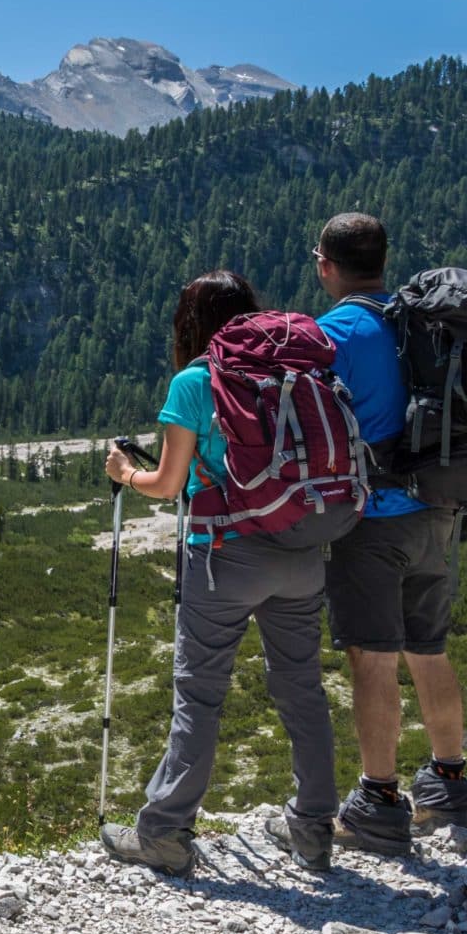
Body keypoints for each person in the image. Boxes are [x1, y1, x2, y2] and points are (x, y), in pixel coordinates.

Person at [99, 271, 352, 876]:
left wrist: (124, 474)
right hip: (300, 545)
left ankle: (163, 831)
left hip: (224, 555)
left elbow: (167, 484)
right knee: (301, 688)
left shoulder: (195, 381)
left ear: (190, 323)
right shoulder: (299, 367)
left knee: (200, 693)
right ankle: (315, 829)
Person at [314, 213, 467, 850]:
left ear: (325, 264)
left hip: (372, 519)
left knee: (372, 656)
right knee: (428, 647)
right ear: (382, 261)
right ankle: (447, 784)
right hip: (436, 509)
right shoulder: (421, 319)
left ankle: (379, 802)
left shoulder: (338, 331)